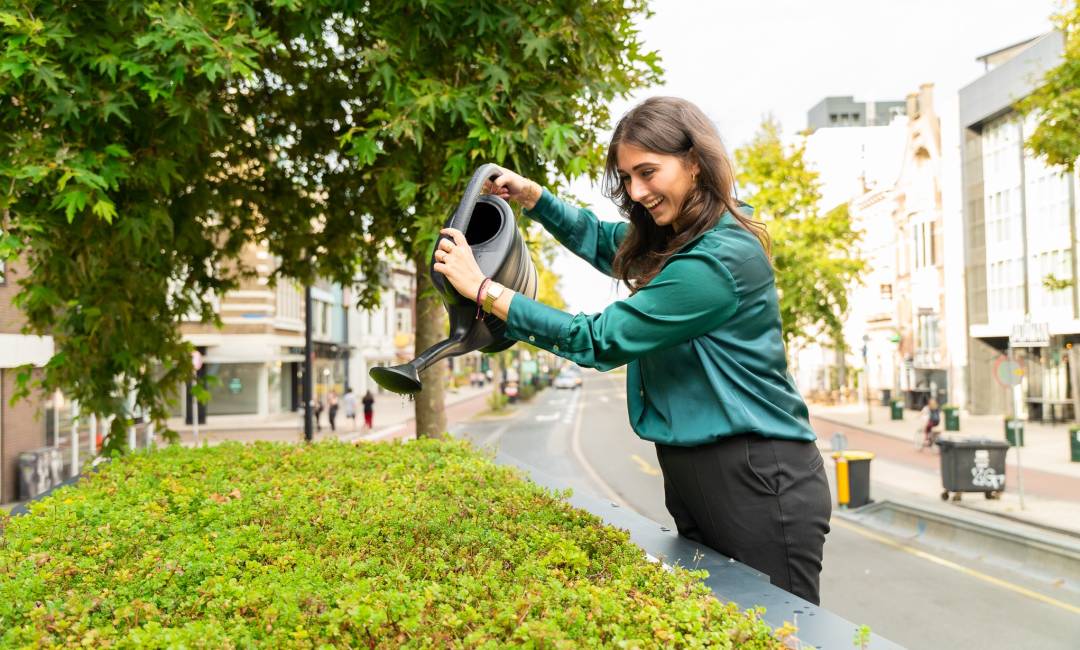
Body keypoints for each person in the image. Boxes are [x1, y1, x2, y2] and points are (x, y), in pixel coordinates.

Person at [432, 96, 831, 605]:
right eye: (626, 178)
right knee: (724, 628)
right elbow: (606, 242)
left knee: (780, 633)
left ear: (694, 161)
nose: (636, 192)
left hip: (754, 475)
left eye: (648, 172)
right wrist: (534, 198)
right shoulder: (682, 238)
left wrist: (485, 290)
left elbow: (598, 341)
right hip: (699, 468)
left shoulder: (716, 259)